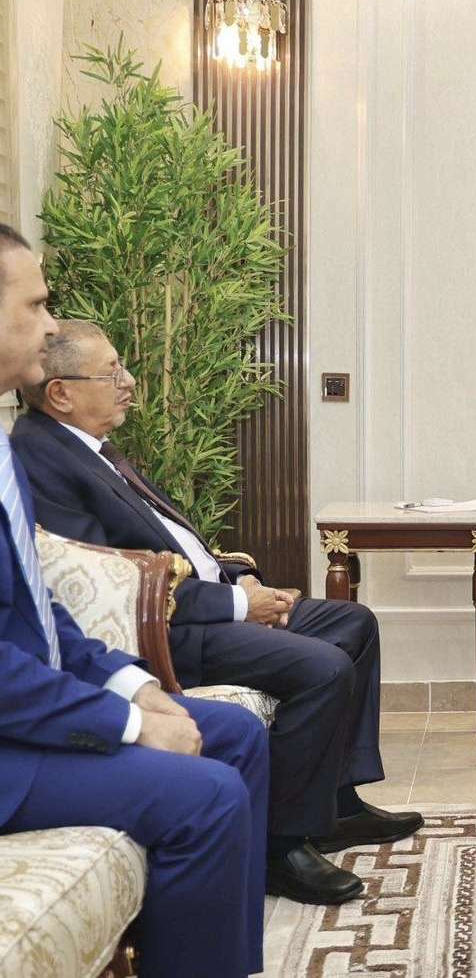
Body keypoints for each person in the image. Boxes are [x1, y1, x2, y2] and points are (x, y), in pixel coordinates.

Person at [11, 319, 422, 905]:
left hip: (206, 600)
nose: (129, 381)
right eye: (112, 372)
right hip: (168, 628)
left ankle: (336, 803)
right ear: (61, 393)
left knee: (353, 622)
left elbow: (169, 548)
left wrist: (237, 580)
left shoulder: (91, 448)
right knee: (323, 667)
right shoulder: (41, 457)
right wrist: (239, 604)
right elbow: (110, 580)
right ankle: (282, 846)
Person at [0, 223, 268, 977]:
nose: (51, 325)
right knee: (208, 796)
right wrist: (126, 724)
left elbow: (37, 610)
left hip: (24, 711)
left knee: (236, 735)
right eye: (36, 305)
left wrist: (133, 685)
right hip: (8, 747)